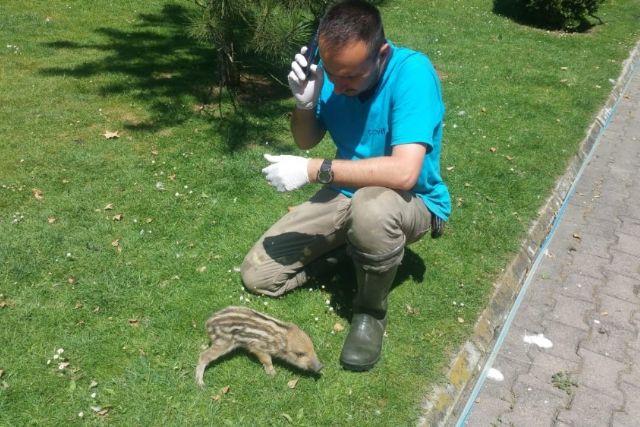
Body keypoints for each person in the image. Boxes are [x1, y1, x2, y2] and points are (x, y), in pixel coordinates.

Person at [240, 0, 451, 371]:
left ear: (381, 54)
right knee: (259, 276)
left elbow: (405, 172)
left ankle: (370, 311)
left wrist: (313, 170)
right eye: (333, 75)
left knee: (372, 210)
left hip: (411, 200)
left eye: (350, 77)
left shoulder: (412, 73)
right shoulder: (332, 73)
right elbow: (306, 139)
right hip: (346, 190)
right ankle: (354, 250)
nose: (338, 86)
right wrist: (304, 105)